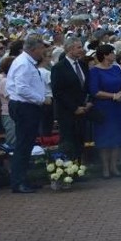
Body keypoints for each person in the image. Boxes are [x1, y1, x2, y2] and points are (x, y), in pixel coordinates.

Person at [6, 36, 48, 193]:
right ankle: (18, 182)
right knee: (23, 145)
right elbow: (21, 88)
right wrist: (41, 99)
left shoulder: (26, 62)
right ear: (33, 49)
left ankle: (23, 179)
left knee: (27, 144)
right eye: (41, 48)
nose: (43, 51)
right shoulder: (24, 64)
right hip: (24, 106)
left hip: (27, 106)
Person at [89, 44, 121, 178]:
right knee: (105, 138)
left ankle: (114, 166)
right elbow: (95, 91)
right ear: (105, 55)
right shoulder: (95, 71)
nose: (114, 55)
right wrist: (112, 96)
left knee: (117, 137)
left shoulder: (116, 69)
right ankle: (105, 168)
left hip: (117, 107)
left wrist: (120, 93)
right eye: (112, 53)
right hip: (103, 107)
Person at [50, 36, 92, 164]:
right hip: (67, 113)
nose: (81, 50)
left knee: (80, 140)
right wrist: (74, 108)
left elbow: (86, 86)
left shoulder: (83, 65)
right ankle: (66, 170)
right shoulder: (59, 67)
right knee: (68, 142)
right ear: (69, 48)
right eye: (79, 47)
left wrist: (88, 102)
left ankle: (78, 168)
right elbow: (58, 92)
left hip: (83, 110)